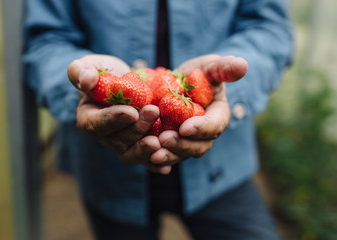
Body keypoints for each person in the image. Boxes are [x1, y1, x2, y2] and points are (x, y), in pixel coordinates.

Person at [23, 0, 294, 239]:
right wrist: (85, 88)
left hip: (222, 168)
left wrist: (225, 86)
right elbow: (46, 40)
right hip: (107, 170)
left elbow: (269, 29)